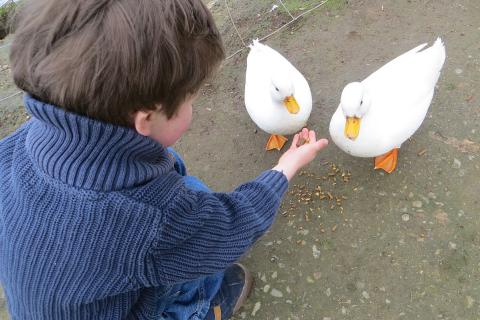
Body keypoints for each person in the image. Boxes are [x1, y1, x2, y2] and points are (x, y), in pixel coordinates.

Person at [0, 0, 328, 319]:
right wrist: (286, 168)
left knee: (182, 192)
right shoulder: (147, 221)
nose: (193, 107)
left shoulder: (13, 148)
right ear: (145, 119)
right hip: (120, 305)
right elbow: (232, 227)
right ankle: (201, 307)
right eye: (190, 100)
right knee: (191, 249)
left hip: (52, 294)